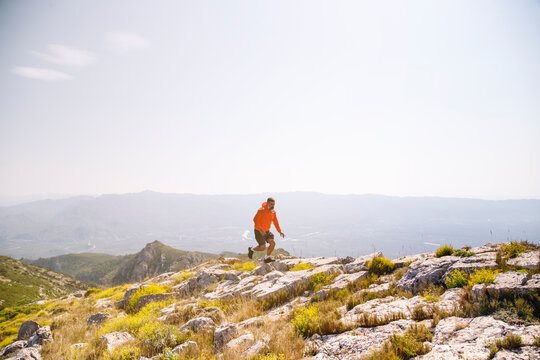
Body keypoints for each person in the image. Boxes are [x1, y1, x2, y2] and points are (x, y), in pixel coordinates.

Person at [248, 197, 285, 262]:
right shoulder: (261, 210)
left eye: (274, 204)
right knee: (262, 248)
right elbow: (255, 220)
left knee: (273, 243)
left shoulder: (273, 212)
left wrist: (280, 231)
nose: (273, 206)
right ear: (267, 203)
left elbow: (275, 222)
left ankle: (267, 258)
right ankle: (251, 249)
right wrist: (260, 229)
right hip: (258, 231)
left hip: (267, 231)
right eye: (271, 204)